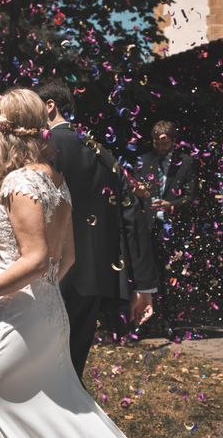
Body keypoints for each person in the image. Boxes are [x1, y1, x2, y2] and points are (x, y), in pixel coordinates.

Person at [0, 88, 127, 437]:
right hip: (50, 317)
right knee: (52, 413)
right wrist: (45, 293)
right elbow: (67, 257)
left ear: (5, 132)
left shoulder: (20, 181)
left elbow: (38, 260)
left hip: (20, 321)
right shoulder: (56, 179)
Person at [37, 79, 157, 379]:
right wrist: (144, 287)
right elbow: (132, 218)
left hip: (47, 273)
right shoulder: (102, 153)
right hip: (92, 279)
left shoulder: (41, 150)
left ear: (50, 106)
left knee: (41, 373)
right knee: (71, 371)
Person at [134, 120, 198, 336]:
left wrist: (172, 205)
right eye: (157, 143)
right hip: (148, 226)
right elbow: (135, 194)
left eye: (164, 143)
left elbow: (191, 196)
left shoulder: (186, 163)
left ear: (173, 141)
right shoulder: (143, 161)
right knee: (147, 276)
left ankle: (169, 321)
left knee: (168, 276)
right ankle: (145, 320)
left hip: (171, 228)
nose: (160, 148)